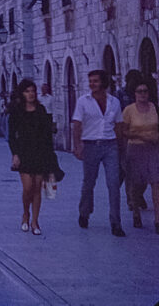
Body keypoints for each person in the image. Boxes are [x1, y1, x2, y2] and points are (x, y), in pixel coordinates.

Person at [73, 70, 125, 237]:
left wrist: (121, 148)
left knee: (113, 183)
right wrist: (77, 146)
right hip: (90, 145)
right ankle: (84, 212)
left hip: (110, 145)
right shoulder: (83, 101)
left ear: (103, 82)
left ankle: (116, 223)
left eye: (95, 81)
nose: (92, 84)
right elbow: (77, 124)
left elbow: (118, 125)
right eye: (90, 81)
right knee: (89, 182)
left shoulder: (114, 102)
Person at [8, 80, 62, 236]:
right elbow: (11, 136)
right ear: (22, 93)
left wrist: (50, 156)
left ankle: (35, 221)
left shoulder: (41, 110)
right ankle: (26, 214)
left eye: (32, 91)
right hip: (24, 152)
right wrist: (15, 154)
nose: (30, 94)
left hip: (40, 152)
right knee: (27, 188)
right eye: (27, 91)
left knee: (37, 188)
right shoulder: (17, 112)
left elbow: (47, 135)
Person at [121, 78, 159, 233]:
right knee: (137, 185)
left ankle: (157, 220)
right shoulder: (129, 110)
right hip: (135, 150)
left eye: (145, 91)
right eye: (139, 91)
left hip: (153, 150)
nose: (143, 94)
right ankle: (136, 211)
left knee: (156, 183)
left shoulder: (155, 107)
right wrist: (142, 137)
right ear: (134, 93)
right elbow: (123, 131)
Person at [117, 69, 150, 211]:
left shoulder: (144, 95)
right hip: (126, 138)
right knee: (129, 171)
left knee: (144, 171)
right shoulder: (120, 95)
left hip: (143, 138)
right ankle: (132, 199)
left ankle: (138, 195)